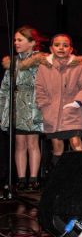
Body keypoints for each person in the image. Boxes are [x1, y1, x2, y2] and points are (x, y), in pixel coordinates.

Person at [35, 34, 82, 172]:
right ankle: (59, 176)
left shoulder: (79, 67)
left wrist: (77, 103)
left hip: (72, 112)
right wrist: (44, 105)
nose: (61, 48)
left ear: (71, 49)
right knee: (57, 146)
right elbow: (39, 88)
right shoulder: (43, 67)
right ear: (51, 48)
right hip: (51, 114)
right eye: (57, 45)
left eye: (65, 45)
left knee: (76, 142)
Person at [0, 26, 46, 191]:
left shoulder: (41, 61)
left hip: (33, 106)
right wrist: (3, 109)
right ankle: (21, 179)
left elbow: (45, 84)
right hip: (17, 106)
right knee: (19, 143)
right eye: (15, 40)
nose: (16, 43)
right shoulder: (13, 63)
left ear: (32, 43)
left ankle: (33, 178)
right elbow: (5, 87)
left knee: (32, 142)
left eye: (20, 40)